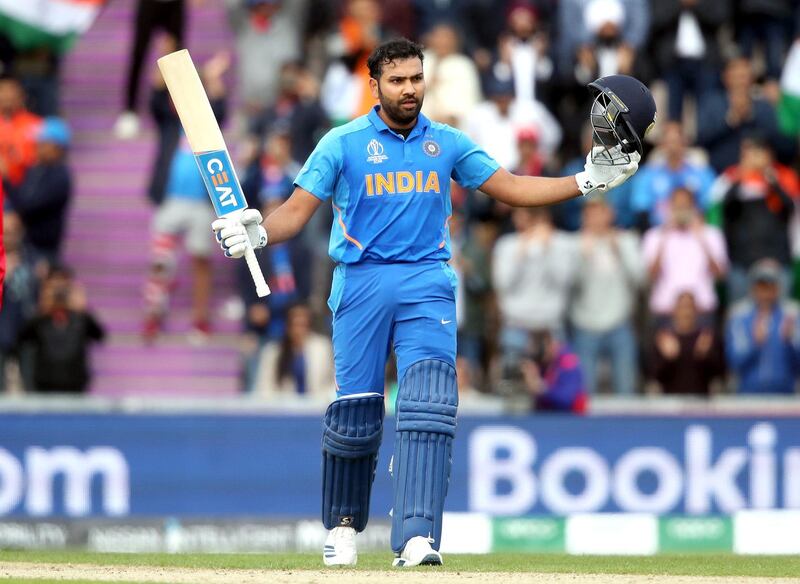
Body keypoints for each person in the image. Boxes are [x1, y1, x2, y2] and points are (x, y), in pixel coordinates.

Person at [212, 39, 645, 567]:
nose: (410, 89)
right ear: (374, 85)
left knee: (429, 408)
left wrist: (584, 181)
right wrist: (256, 233)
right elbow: (296, 212)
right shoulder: (341, 143)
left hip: (427, 281)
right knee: (356, 413)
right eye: (398, 80)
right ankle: (344, 526)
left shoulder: (447, 143)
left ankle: (417, 537)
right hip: (362, 282)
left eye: (416, 78)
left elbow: (510, 187)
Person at [712, 135, 799, 303]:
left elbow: (790, 208)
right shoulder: (731, 177)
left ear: (769, 154)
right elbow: (725, 208)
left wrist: (771, 180)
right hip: (742, 265)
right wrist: (740, 176)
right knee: (740, 318)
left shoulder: (784, 176)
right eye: (749, 152)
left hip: (777, 263)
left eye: (759, 152)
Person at [570, 197, 643, 395]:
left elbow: (640, 280)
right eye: (589, 213)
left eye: (599, 211)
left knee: (626, 391)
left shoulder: (627, 241)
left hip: (619, 324)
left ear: (610, 214)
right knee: (585, 394)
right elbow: (568, 287)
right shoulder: (574, 244)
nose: (594, 217)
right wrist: (582, 259)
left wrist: (620, 252)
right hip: (585, 325)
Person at [642, 186, 728, 324]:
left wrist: (701, 238)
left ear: (693, 207)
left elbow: (720, 275)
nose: (681, 210)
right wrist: (665, 235)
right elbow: (651, 276)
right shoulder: (654, 236)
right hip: (666, 308)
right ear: (669, 208)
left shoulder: (711, 234)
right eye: (677, 206)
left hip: (702, 308)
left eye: (685, 206)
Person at [18, 265, 105, 393]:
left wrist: (83, 309)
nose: (59, 293)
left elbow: (100, 336)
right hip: (44, 384)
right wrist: (42, 308)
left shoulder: (80, 318)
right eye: (54, 286)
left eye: (63, 286)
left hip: (75, 383)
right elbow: (22, 338)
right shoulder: (41, 319)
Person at [114, 0, 187, 139]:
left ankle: (180, 108)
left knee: (177, 58)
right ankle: (129, 110)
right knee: (138, 55)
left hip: (174, 4)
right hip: (149, 4)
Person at [5, 117, 72, 267]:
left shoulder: (60, 176)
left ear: (57, 147)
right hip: (24, 246)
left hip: (43, 249)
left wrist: (6, 179)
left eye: (42, 143)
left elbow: (29, 204)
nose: (37, 146)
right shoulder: (35, 169)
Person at [726, 259, 800, 394]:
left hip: (785, 395)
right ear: (753, 288)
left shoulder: (792, 316)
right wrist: (755, 344)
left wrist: (790, 342)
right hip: (749, 395)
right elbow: (734, 363)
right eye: (761, 286)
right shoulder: (740, 318)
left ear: (777, 288)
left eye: (770, 286)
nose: (765, 292)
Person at [630, 121, 716, 229]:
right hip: (659, 232)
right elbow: (641, 207)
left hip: (695, 232)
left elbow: (712, 204)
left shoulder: (702, 173)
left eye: (676, 141)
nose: (673, 147)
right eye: (669, 142)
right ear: (662, 144)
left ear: (685, 142)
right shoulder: (647, 175)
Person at [254, 303, 335, 399]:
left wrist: (324, 398)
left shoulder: (323, 348)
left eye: (303, 325)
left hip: (317, 407)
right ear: (288, 326)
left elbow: (334, 382)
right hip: (283, 409)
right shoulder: (273, 352)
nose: (299, 330)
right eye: (295, 324)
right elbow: (264, 387)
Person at [650, 291, 724, 396]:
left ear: (696, 311)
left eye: (689, 307)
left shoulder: (706, 338)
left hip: (701, 403)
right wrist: (667, 359)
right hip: (670, 403)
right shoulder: (664, 339)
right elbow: (654, 375)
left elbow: (720, 373)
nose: (686, 312)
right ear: (675, 310)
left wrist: (705, 355)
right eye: (682, 307)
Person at [521, 329, 588, 413]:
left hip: (571, 417)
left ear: (551, 344)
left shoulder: (567, 361)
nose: (538, 354)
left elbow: (567, 399)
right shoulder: (542, 364)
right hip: (545, 415)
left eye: (541, 348)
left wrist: (541, 388)